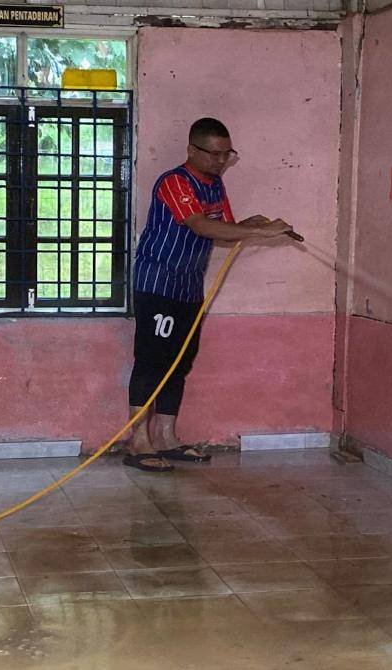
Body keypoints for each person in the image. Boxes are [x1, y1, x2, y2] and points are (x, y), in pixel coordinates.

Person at [124, 117, 295, 472]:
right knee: (152, 360)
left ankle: (167, 438)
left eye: (226, 154)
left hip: (189, 286)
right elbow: (200, 225)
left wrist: (252, 225)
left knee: (180, 362)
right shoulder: (174, 182)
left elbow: (222, 231)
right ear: (192, 150)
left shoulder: (214, 186)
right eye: (214, 154)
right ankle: (138, 442)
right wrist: (261, 236)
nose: (220, 162)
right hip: (158, 284)